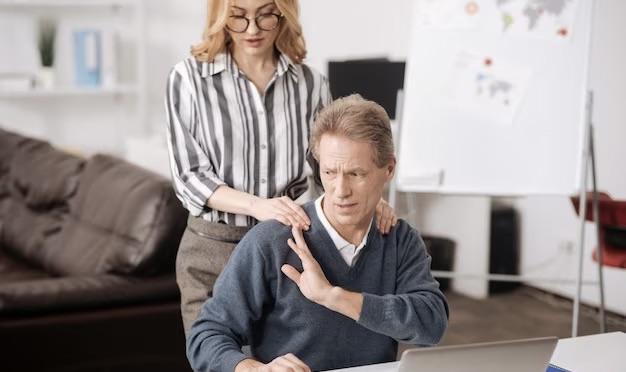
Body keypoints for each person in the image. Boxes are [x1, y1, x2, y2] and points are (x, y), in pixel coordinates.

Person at [164, 0, 397, 334]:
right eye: (238, 17)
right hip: (214, 250)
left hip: (287, 246)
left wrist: (368, 198)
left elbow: (325, 167)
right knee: (219, 355)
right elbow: (189, 176)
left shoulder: (311, 83)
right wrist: (257, 206)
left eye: (266, 15)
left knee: (288, 362)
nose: (253, 29)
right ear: (219, 17)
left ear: (284, 13)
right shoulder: (188, 79)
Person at [186, 94, 449, 372]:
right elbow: (206, 335)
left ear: (388, 169)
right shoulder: (271, 241)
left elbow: (431, 324)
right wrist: (253, 368)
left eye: (356, 174)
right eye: (329, 172)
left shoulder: (400, 240)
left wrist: (332, 297)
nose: (340, 190)